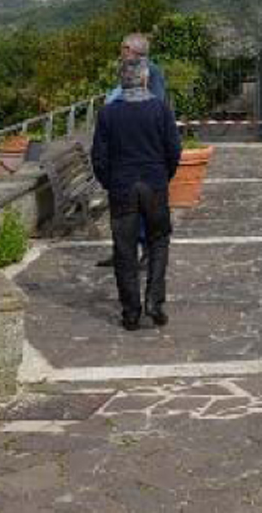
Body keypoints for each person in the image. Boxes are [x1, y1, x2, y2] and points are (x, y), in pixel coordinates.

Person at [90, 56, 179, 330]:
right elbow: (174, 150)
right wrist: (164, 177)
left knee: (124, 248)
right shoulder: (160, 110)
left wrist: (110, 182)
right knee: (159, 241)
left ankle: (130, 310)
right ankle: (154, 300)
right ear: (144, 79)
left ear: (121, 81)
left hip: (122, 186)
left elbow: (99, 157)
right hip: (154, 184)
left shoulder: (107, 114)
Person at [105, 33, 168, 104]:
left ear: (128, 50)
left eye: (122, 48)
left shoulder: (152, 70)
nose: (121, 53)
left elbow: (157, 102)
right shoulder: (128, 68)